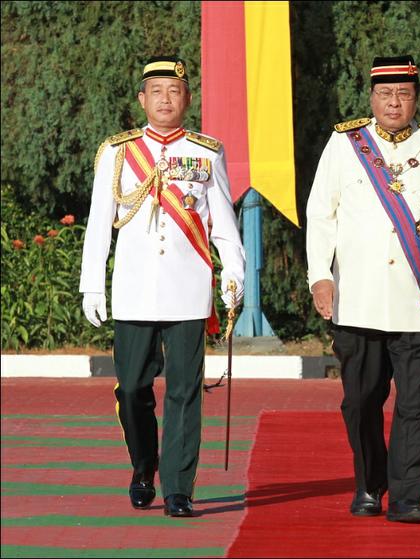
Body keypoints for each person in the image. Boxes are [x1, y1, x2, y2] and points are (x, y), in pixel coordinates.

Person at [305, 55, 420, 524]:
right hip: (356, 299)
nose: (394, 102)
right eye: (385, 94)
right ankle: (368, 483)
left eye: (403, 94)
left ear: (416, 97)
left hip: (418, 302)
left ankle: (407, 496)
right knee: (360, 401)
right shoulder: (345, 144)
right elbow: (322, 213)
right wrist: (320, 274)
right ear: (371, 97)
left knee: (417, 404)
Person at [79, 56, 245, 518]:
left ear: (187, 98)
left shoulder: (206, 151)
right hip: (133, 289)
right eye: (157, 91)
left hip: (188, 289)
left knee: (184, 391)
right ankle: (143, 464)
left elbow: (223, 223)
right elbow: (99, 224)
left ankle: (178, 487)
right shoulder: (117, 151)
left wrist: (234, 271)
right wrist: (92, 283)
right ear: (142, 99)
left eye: (174, 91)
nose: (165, 100)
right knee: (132, 387)